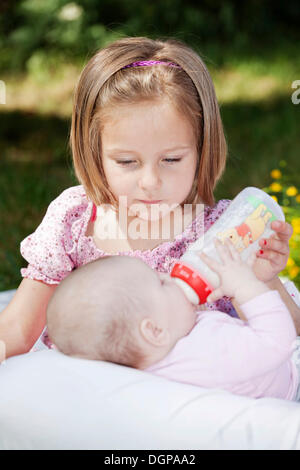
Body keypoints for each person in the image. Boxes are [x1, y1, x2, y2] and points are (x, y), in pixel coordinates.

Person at [0, 36, 298, 359]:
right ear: (95, 152)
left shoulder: (222, 233)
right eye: (127, 162)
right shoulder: (75, 221)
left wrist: (264, 281)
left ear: (202, 149)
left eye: (171, 160)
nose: (150, 182)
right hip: (86, 398)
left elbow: (286, 338)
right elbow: (18, 329)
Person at [46, 238, 300, 401]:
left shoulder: (157, 358)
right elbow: (278, 340)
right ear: (154, 330)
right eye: (162, 282)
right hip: (292, 383)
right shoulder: (206, 353)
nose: (169, 276)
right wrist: (245, 286)